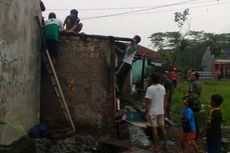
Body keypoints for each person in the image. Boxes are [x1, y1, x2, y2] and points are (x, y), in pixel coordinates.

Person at [145, 72, 168, 151]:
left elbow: (148, 102)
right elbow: (165, 100)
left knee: (154, 129)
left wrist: (147, 113)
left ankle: (156, 146)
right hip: (161, 111)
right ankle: (166, 145)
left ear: (152, 79)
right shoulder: (162, 88)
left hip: (153, 112)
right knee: (162, 128)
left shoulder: (150, 88)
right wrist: (164, 110)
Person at [188, 71, 201, 136]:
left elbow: (191, 94)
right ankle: (196, 133)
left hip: (193, 103)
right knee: (196, 119)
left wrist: (188, 100)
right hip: (197, 102)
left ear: (195, 77)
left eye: (192, 75)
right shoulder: (198, 83)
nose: (190, 76)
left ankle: (193, 133)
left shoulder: (193, 84)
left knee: (192, 118)